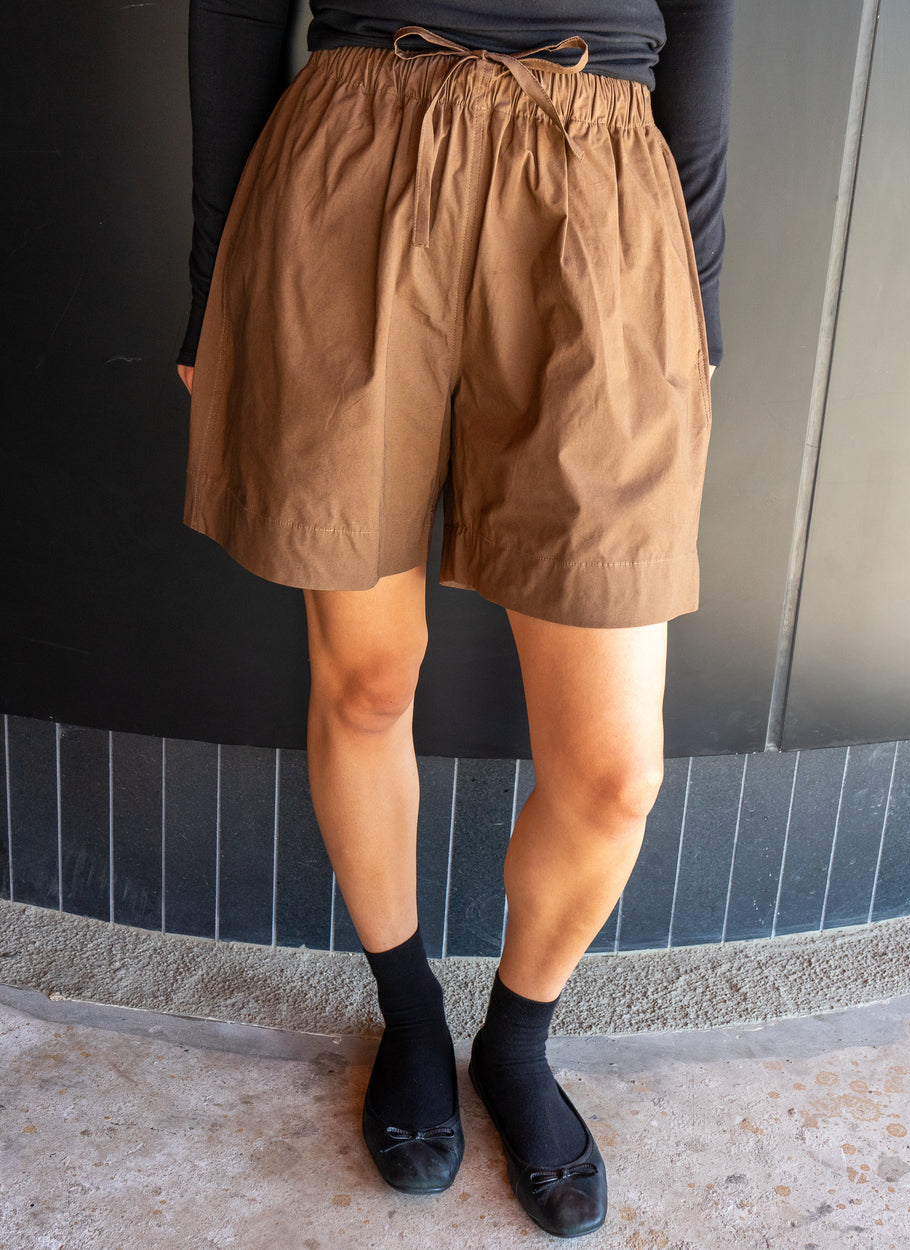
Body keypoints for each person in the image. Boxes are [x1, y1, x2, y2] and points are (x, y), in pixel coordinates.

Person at [177, 1, 733, 1237]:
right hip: (356, 156)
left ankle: (517, 1042)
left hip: (600, 183)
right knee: (366, 679)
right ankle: (410, 1010)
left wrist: (694, 292)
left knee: (612, 769)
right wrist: (214, 273)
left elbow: (705, 17)